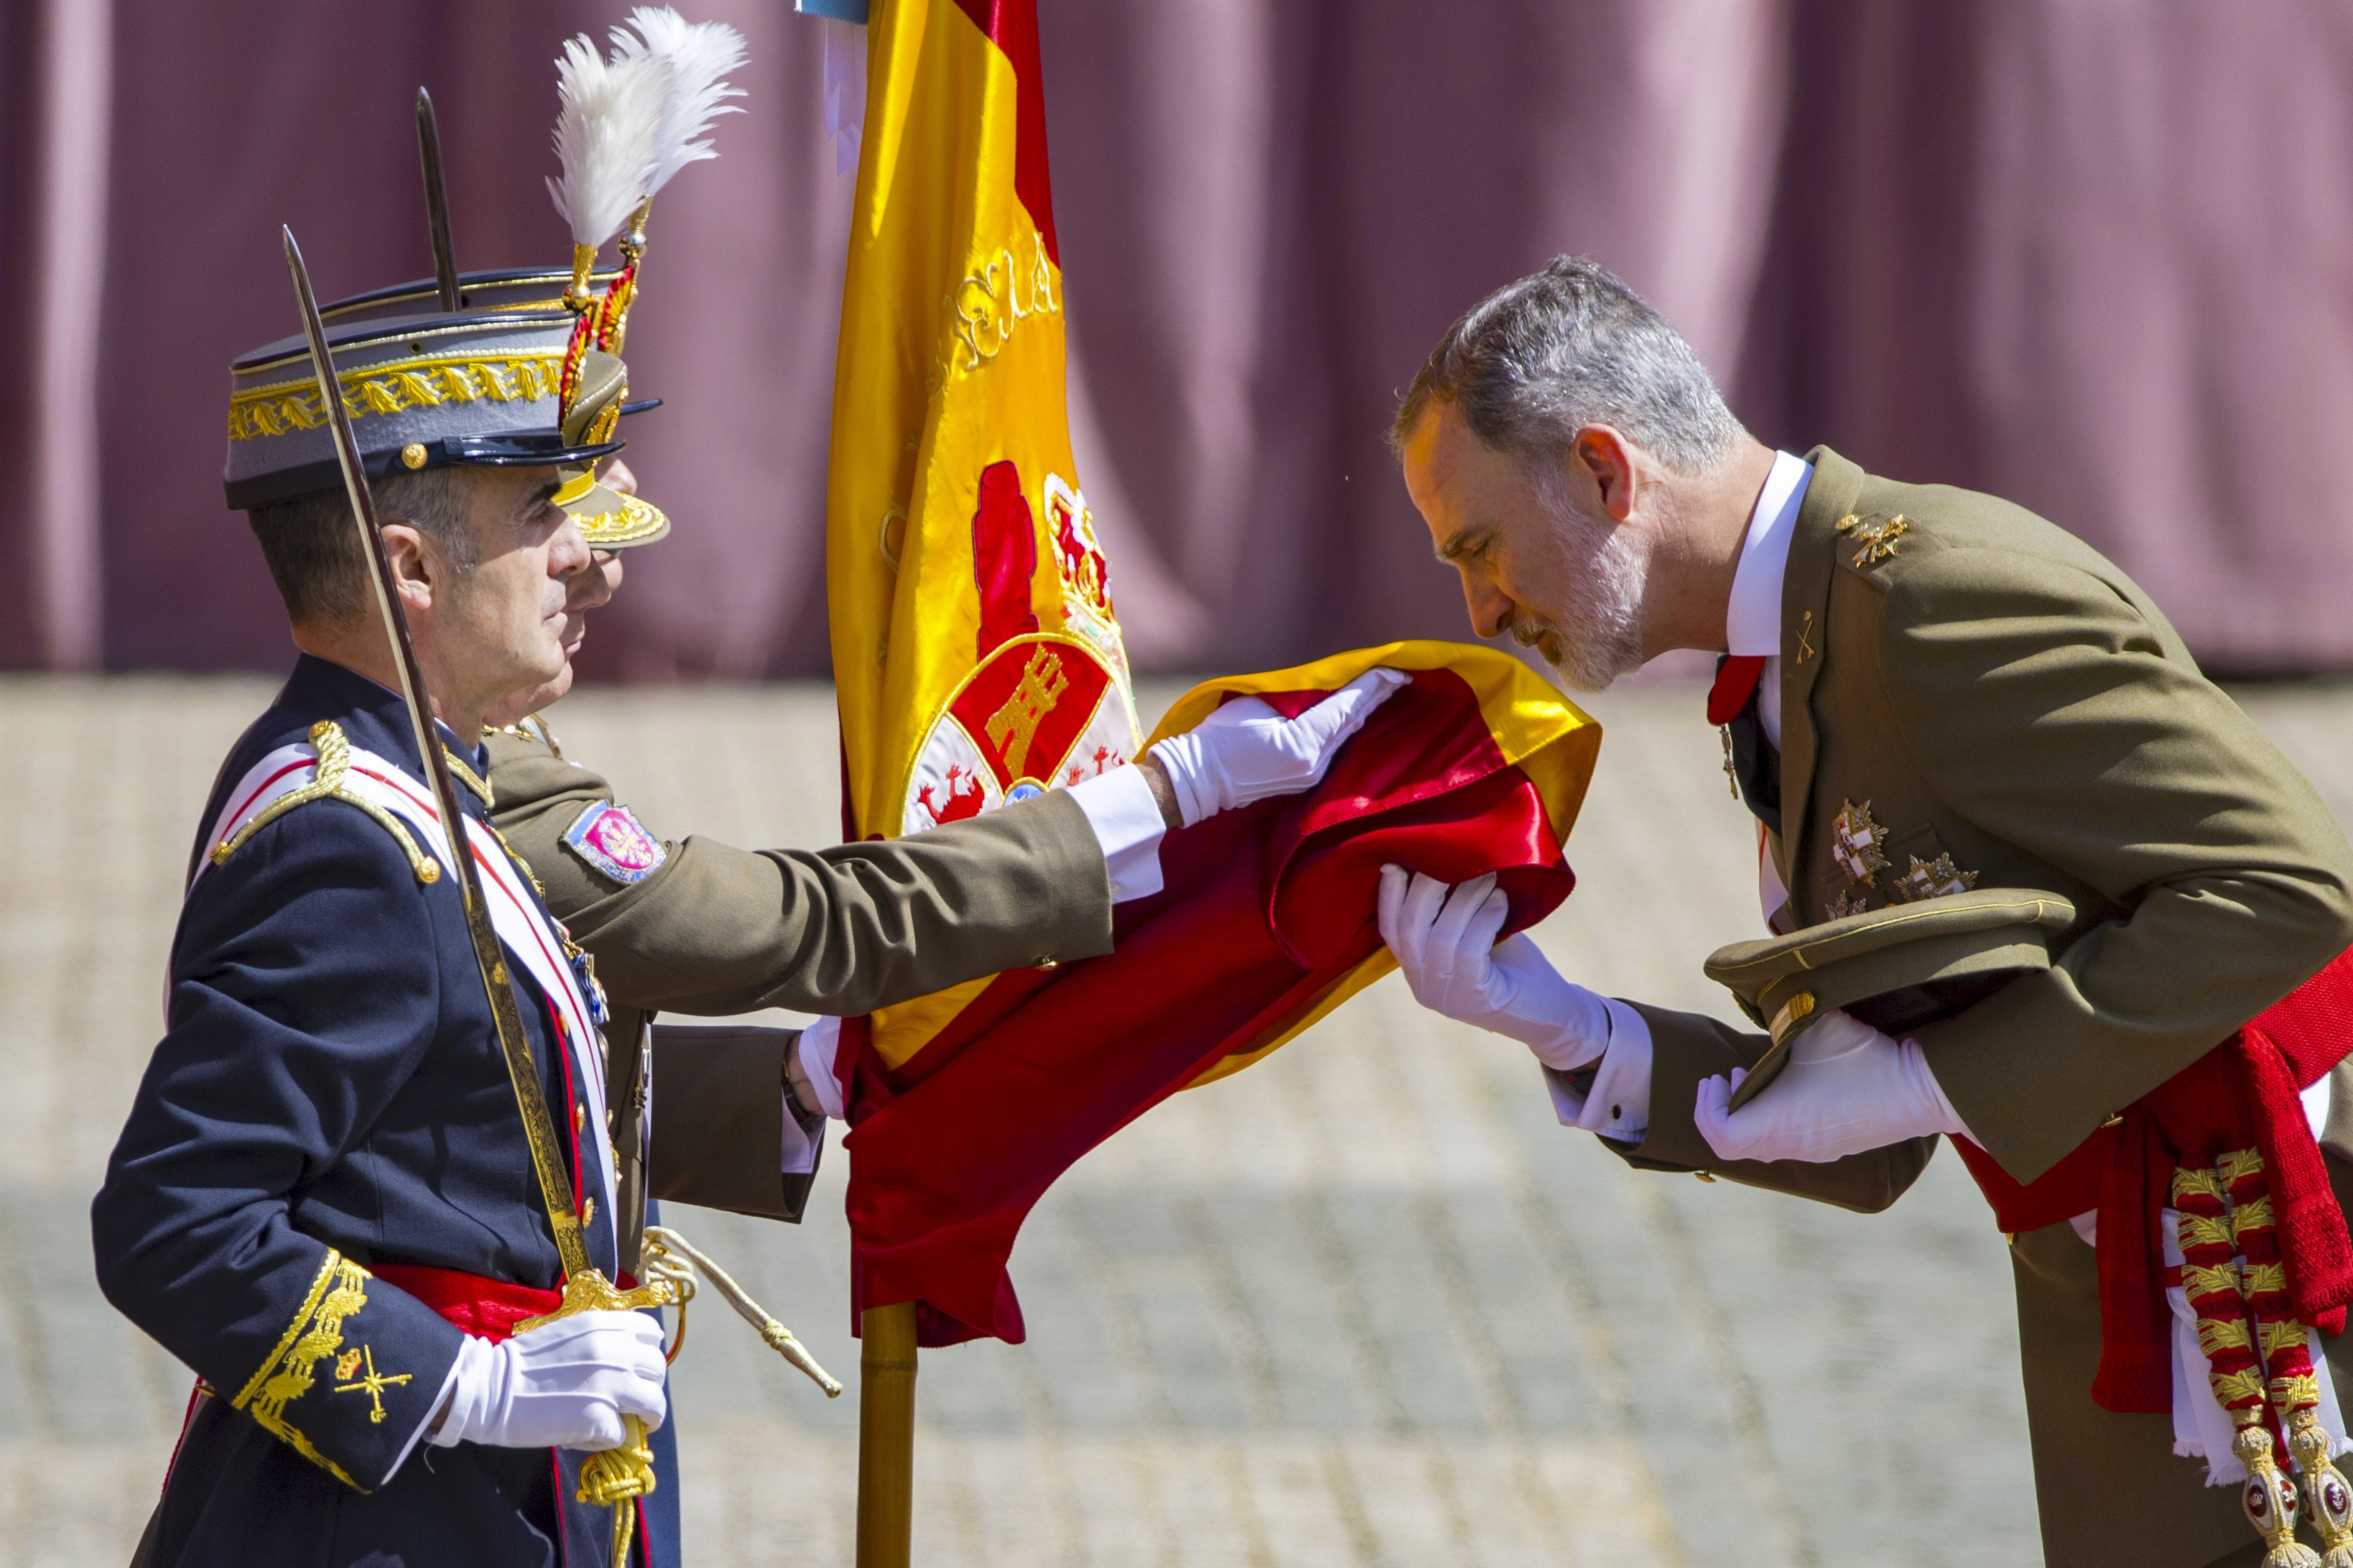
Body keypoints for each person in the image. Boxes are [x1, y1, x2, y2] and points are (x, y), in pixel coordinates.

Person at [92, 273, 1399, 1566]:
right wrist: (461, 1384)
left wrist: (790, 1079)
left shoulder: (416, 771)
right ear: (412, 567)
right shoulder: (347, 837)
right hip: (377, 1518)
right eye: (541, 510)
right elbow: (176, 1213)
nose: (586, 558)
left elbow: (440, 1094)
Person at [1376, 255, 2353, 1565]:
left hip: (2280, 1268)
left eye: (1480, 549)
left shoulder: (1931, 594)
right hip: (2133, 1311)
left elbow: (2289, 885)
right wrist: (1573, 1030)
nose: (1481, 608)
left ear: (1607, 475)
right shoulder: (1792, 651)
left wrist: (1928, 1083)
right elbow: (1862, 1124)